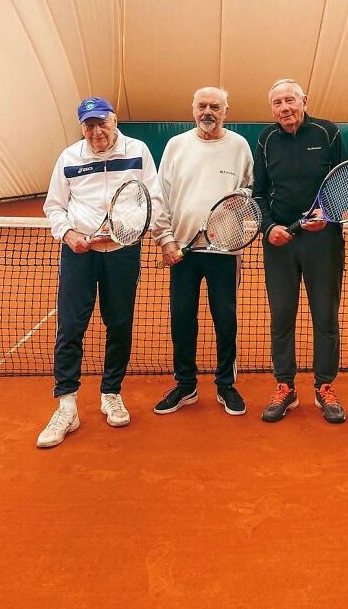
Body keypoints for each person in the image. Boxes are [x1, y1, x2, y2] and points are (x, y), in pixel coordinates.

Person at [37, 96, 166, 449]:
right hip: (79, 254)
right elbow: (54, 206)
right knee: (70, 325)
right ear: (82, 127)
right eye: (88, 125)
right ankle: (67, 405)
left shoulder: (137, 150)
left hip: (122, 253)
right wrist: (70, 234)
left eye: (101, 123)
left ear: (114, 121)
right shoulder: (69, 157)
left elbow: (153, 200)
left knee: (119, 323)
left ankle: (111, 392)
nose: (96, 132)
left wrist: (129, 230)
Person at [153, 87, 254, 417]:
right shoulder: (176, 146)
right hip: (181, 250)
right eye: (202, 106)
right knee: (182, 319)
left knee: (225, 319)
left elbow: (250, 191)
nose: (208, 111)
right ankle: (186, 385)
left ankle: (225, 383)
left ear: (226, 110)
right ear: (193, 109)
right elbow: (161, 197)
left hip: (224, 250)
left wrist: (238, 217)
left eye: (215, 106)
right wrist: (166, 239)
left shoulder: (239, 146)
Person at [253, 79, 348, 424]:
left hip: (323, 241)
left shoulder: (327, 133)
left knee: (325, 316)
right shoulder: (265, 139)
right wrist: (268, 228)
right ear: (272, 109)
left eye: (290, 100)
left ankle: (325, 387)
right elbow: (259, 192)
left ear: (304, 101)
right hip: (280, 242)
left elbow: (347, 180)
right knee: (282, 316)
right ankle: (285, 386)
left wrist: (330, 214)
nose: (285, 108)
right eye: (277, 103)